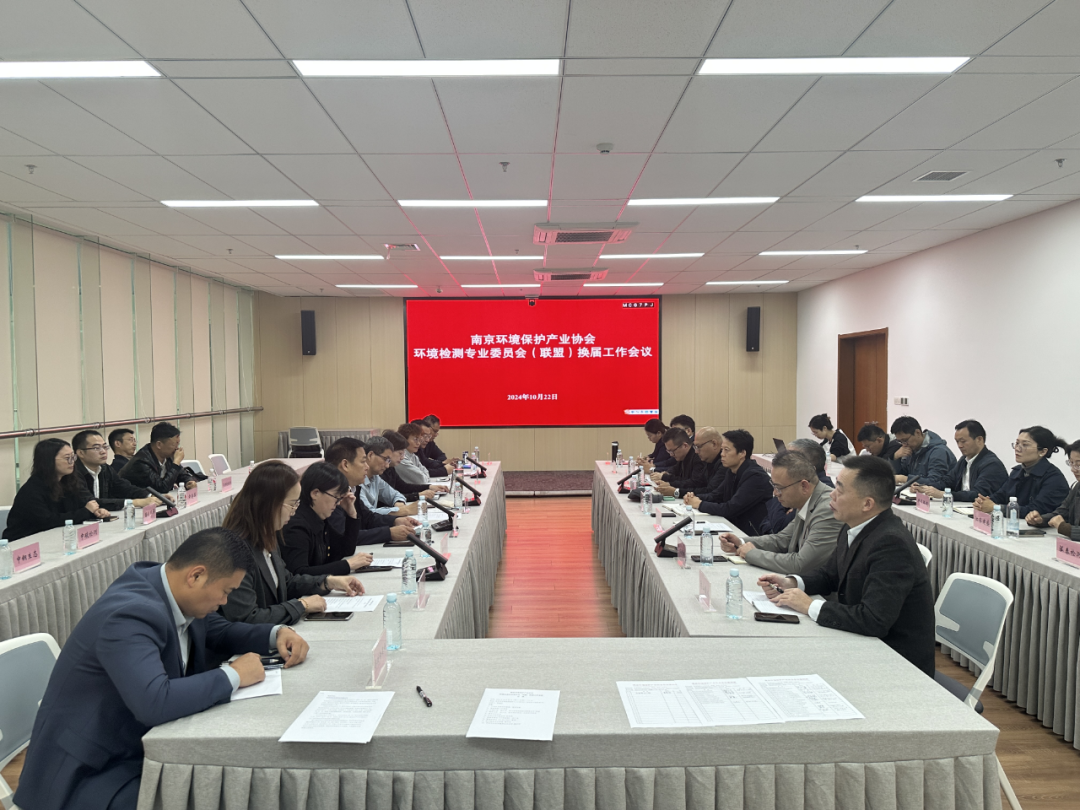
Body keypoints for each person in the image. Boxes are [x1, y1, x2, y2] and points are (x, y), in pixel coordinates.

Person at [13, 528, 310, 810]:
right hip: (88, 774)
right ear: (196, 575)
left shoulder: (170, 589)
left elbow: (220, 631)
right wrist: (233, 674)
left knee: (223, 783)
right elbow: (155, 702)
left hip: (135, 747)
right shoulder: (130, 613)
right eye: (225, 591)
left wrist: (275, 633)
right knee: (215, 792)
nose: (225, 601)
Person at [758, 455, 936, 677]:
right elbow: (829, 575)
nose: (831, 494)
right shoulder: (854, 525)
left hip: (896, 664)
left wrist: (810, 606)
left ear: (867, 504)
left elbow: (873, 620)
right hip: (862, 644)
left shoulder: (891, 544)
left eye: (840, 490)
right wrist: (792, 582)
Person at [220, 461, 364, 626]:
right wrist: (302, 605)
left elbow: (287, 582)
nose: (294, 510)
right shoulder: (235, 551)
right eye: (292, 504)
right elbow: (247, 618)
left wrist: (327, 582)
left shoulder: (267, 537)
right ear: (270, 504)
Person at [719, 451, 841, 575]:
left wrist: (752, 554)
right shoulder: (808, 500)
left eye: (779, 488)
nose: (775, 493)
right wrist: (740, 542)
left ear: (804, 486)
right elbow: (782, 539)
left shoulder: (828, 509)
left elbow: (800, 564)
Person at [280, 462, 376, 577]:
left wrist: (351, 515)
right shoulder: (296, 525)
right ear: (315, 493)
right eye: (336, 497)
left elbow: (345, 550)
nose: (338, 503)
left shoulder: (318, 517)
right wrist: (348, 565)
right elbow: (299, 573)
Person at [3, 438, 111, 541]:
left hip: (55, 537)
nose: (72, 462)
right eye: (67, 458)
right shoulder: (32, 490)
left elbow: (80, 505)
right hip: (24, 542)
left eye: (73, 457)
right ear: (48, 461)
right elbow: (48, 521)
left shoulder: (68, 481)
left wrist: (96, 512)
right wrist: (86, 511)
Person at [324, 438, 420, 544]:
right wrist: (388, 533)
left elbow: (368, 517)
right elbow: (343, 536)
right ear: (345, 465)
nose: (367, 466)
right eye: (363, 462)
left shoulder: (353, 488)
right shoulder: (329, 494)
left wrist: (395, 521)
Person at [683, 428, 772, 535]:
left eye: (727, 450)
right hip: (735, 528)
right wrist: (693, 497)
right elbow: (716, 495)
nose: (722, 454)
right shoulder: (732, 471)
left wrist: (700, 504)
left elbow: (730, 509)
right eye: (722, 449)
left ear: (742, 453)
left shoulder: (755, 477)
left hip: (751, 535)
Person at [974, 426, 1070, 522]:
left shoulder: (1054, 479)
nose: (1017, 449)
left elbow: (1036, 510)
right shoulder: (1017, 471)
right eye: (1017, 443)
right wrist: (983, 502)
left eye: (1025, 445)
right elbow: (1001, 495)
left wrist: (995, 507)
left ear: (1042, 451)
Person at [912, 420, 1007, 502]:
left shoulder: (992, 465)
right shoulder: (964, 460)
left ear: (979, 440)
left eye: (963, 441)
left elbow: (978, 494)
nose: (959, 446)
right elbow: (947, 481)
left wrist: (944, 494)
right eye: (957, 441)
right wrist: (924, 487)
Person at [72, 430, 160, 512]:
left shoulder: (105, 469)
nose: (103, 451)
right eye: (96, 448)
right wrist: (135, 502)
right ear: (80, 453)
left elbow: (125, 487)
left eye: (104, 447)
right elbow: (90, 502)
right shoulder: (73, 474)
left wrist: (152, 496)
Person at [119, 421, 199, 492]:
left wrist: (188, 481)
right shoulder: (142, 462)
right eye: (174, 444)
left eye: (178, 444)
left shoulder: (168, 456)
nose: (177, 448)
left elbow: (181, 475)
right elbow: (161, 488)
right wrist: (176, 463)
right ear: (159, 445)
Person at [890, 416, 956, 490]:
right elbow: (899, 475)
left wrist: (905, 479)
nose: (904, 445)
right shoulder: (911, 448)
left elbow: (935, 482)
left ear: (918, 433)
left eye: (905, 440)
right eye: (900, 441)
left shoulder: (939, 452)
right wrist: (895, 458)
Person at [1030, 440, 1080, 535]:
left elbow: (1062, 524)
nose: (1073, 469)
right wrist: (1041, 519)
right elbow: (1062, 512)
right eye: (1071, 463)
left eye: (1078, 464)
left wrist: (1064, 528)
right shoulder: (1077, 486)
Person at [359, 435, 417, 515]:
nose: (387, 466)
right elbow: (367, 513)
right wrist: (403, 510)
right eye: (385, 459)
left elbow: (395, 495)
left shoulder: (375, 477)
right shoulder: (356, 481)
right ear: (370, 455)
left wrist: (399, 504)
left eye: (389, 461)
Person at [381, 430, 444, 501]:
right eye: (400, 453)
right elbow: (389, 498)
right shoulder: (380, 472)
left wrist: (429, 487)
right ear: (389, 452)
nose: (402, 457)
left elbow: (403, 487)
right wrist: (418, 495)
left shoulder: (390, 468)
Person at [651, 427, 707, 497]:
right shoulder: (683, 456)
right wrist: (666, 473)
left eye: (672, 451)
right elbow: (675, 468)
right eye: (669, 451)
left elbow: (694, 483)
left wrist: (669, 483)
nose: (671, 455)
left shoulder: (698, 457)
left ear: (685, 446)